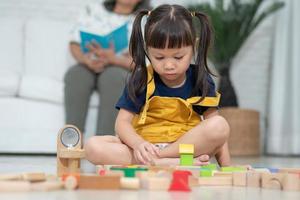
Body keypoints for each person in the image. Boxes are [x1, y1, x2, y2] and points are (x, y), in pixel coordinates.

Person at [84, 4, 231, 167]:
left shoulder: (201, 79)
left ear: (193, 47)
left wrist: (227, 168)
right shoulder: (141, 78)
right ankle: (166, 162)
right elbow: (121, 124)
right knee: (92, 146)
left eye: (178, 57)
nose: (169, 65)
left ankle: (161, 159)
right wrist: (138, 143)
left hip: (185, 149)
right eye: (159, 57)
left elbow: (217, 131)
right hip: (147, 148)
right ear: (148, 50)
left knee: (220, 125)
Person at [64, 0, 151, 135]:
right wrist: (86, 60)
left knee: (113, 77)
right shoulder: (92, 10)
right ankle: (72, 141)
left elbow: (145, 61)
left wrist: (113, 59)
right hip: (89, 63)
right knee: (76, 74)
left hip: (119, 67)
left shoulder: (146, 20)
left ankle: (103, 144)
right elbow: (74, 43)